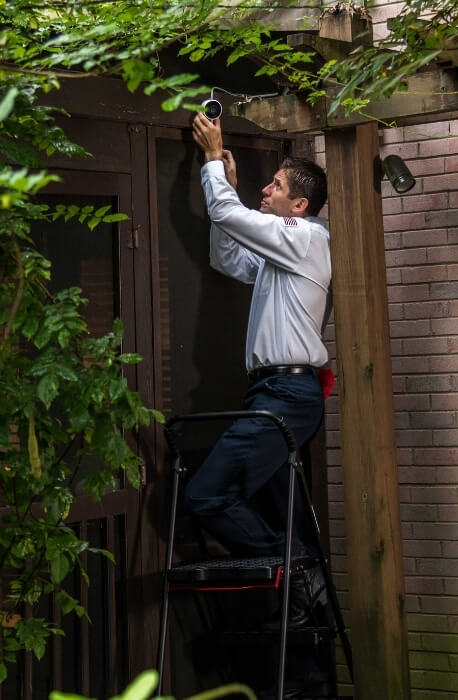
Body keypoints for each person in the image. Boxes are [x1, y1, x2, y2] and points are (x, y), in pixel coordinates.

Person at [184, 112, 331, 626]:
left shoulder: (308, 238)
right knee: (281, 506)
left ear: (299, 205)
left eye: (275, 185)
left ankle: (298, 573)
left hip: (287, 395)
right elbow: (230, 257)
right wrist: (225, 190)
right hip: (273, 392)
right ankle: (302, 580)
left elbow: (230, 215)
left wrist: (212, 162)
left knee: (206, 494)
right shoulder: (282, 253)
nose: (265, 189)